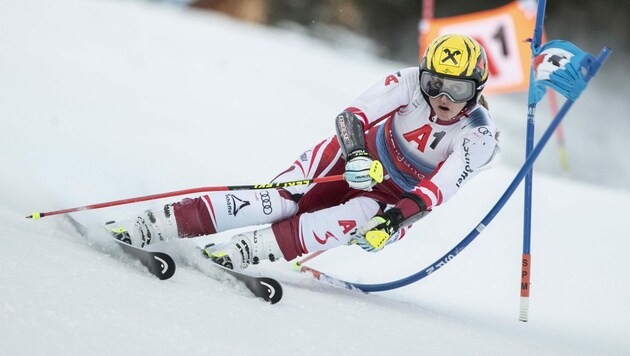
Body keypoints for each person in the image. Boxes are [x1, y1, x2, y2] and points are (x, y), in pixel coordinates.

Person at [107, 34, 500, 271]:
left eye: (459, 89)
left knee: (351, 220)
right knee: (279, 200)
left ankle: (245, 252)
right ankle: (158, 222)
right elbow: (352, 116)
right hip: (352, 158)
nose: (443, 98)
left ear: (477, 90)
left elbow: (436, 191)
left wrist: (392, 222)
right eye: (435, 84)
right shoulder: (408, 82)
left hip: (396, 198)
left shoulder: (478, 137)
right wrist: (359, 156)